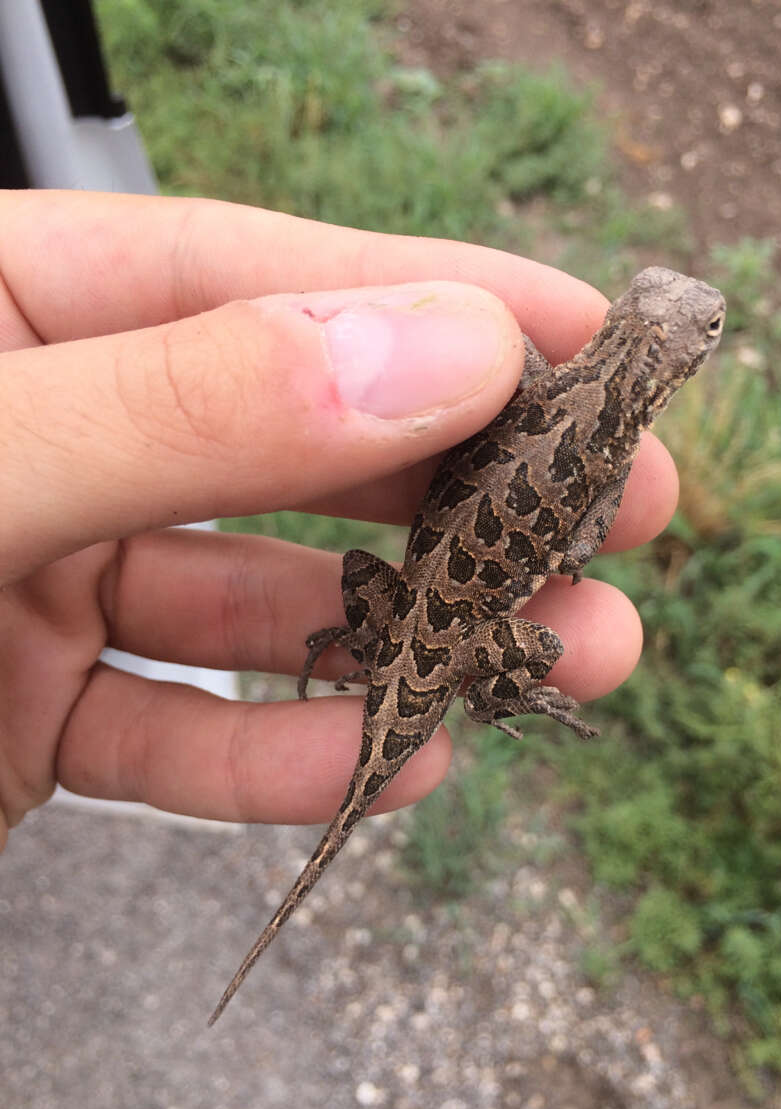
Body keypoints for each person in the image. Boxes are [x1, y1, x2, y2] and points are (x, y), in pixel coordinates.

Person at [0, 190, 680, 853]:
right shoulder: (612, 456)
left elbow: (563, 526)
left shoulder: (537, 371)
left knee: (381, 578)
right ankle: (490, 700)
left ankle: (393, 656)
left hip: (415, 613)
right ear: (669, 379)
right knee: (548, 648)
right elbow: (576, 554)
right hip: (455, 634)